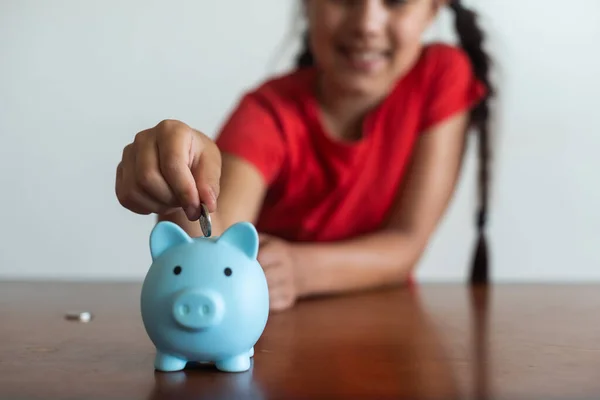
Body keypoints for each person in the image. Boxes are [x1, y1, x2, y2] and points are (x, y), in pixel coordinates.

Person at [115, 0, 494, 312]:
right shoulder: (266, 113)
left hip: (395, 336)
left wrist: (298, 269)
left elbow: (407, 243)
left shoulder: (441, 76)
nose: (367, 23)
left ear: (433, 9)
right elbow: (210, 242)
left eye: (394, 2)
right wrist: (182, 177)